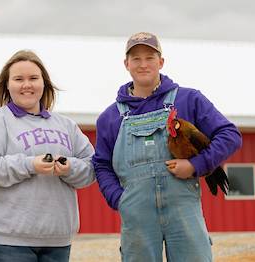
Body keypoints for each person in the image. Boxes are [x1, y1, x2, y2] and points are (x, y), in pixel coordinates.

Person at [92, 32, 242, 261]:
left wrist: (195, 165)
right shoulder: (110, 117)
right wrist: (118, 199)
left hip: (183, 211)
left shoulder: (189, 99)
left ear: (161, 62)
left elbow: (230, 135)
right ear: (126, 64)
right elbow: (102, 164)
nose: (143, 64)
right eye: (136, 59)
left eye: (150, 57)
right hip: (136, 213)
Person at [0, 50, 96, 262]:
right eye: (19, 79)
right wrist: (29, 165)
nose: (27, 84)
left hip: (57, 239)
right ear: (7, 85)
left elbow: (91, 167)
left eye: (33, 78)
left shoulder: (66, 126)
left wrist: (69, 168)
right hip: (5, 241)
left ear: (44, 83)